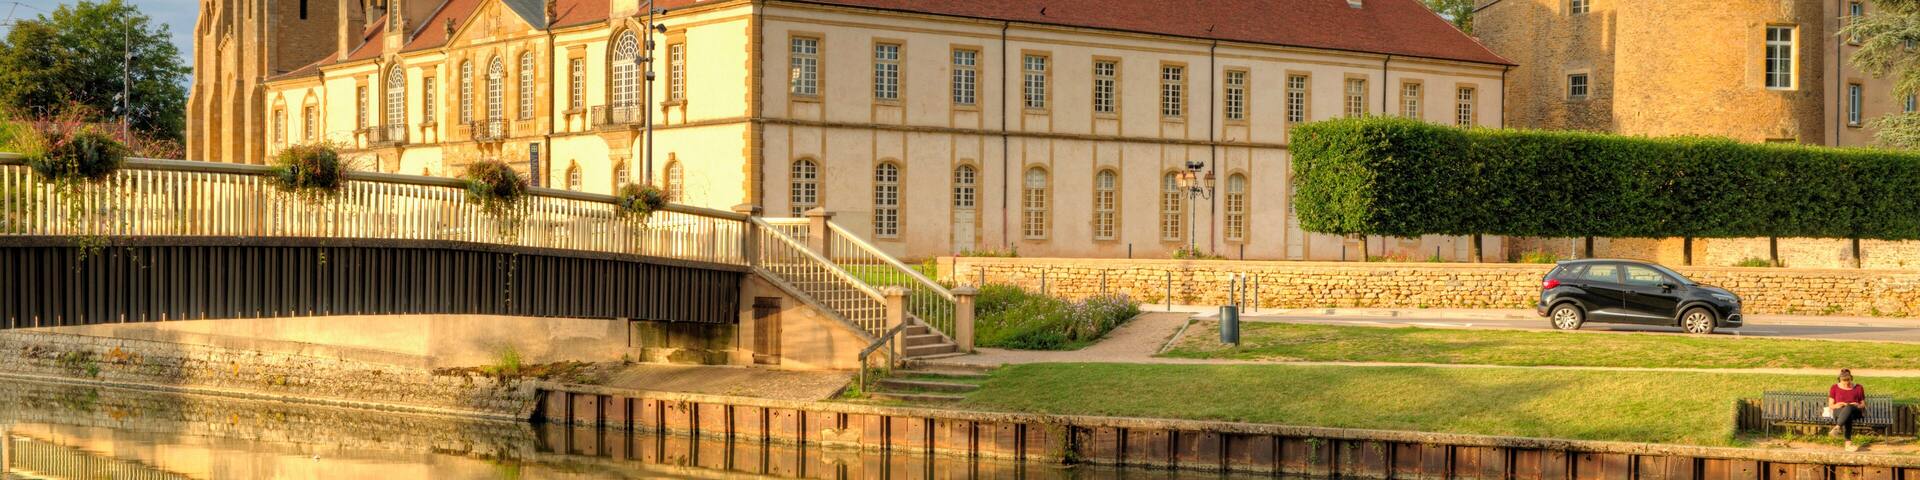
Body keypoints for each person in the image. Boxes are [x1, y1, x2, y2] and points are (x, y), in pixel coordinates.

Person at [1829, 369, 1866, 452]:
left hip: (1855, 411)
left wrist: (1858, 405)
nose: (1846, 382)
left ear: (1851, 378)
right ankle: (1848, 445)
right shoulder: (1834, 387)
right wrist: (1837, 405)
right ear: (1840, 379)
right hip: (1839, 411)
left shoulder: (1858, 387)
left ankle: (1837, 427)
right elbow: (1831, 405)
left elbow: (1863, 404)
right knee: (1847, 415)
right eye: (1844, 380)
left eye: (1848, 380)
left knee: (1849, 407)